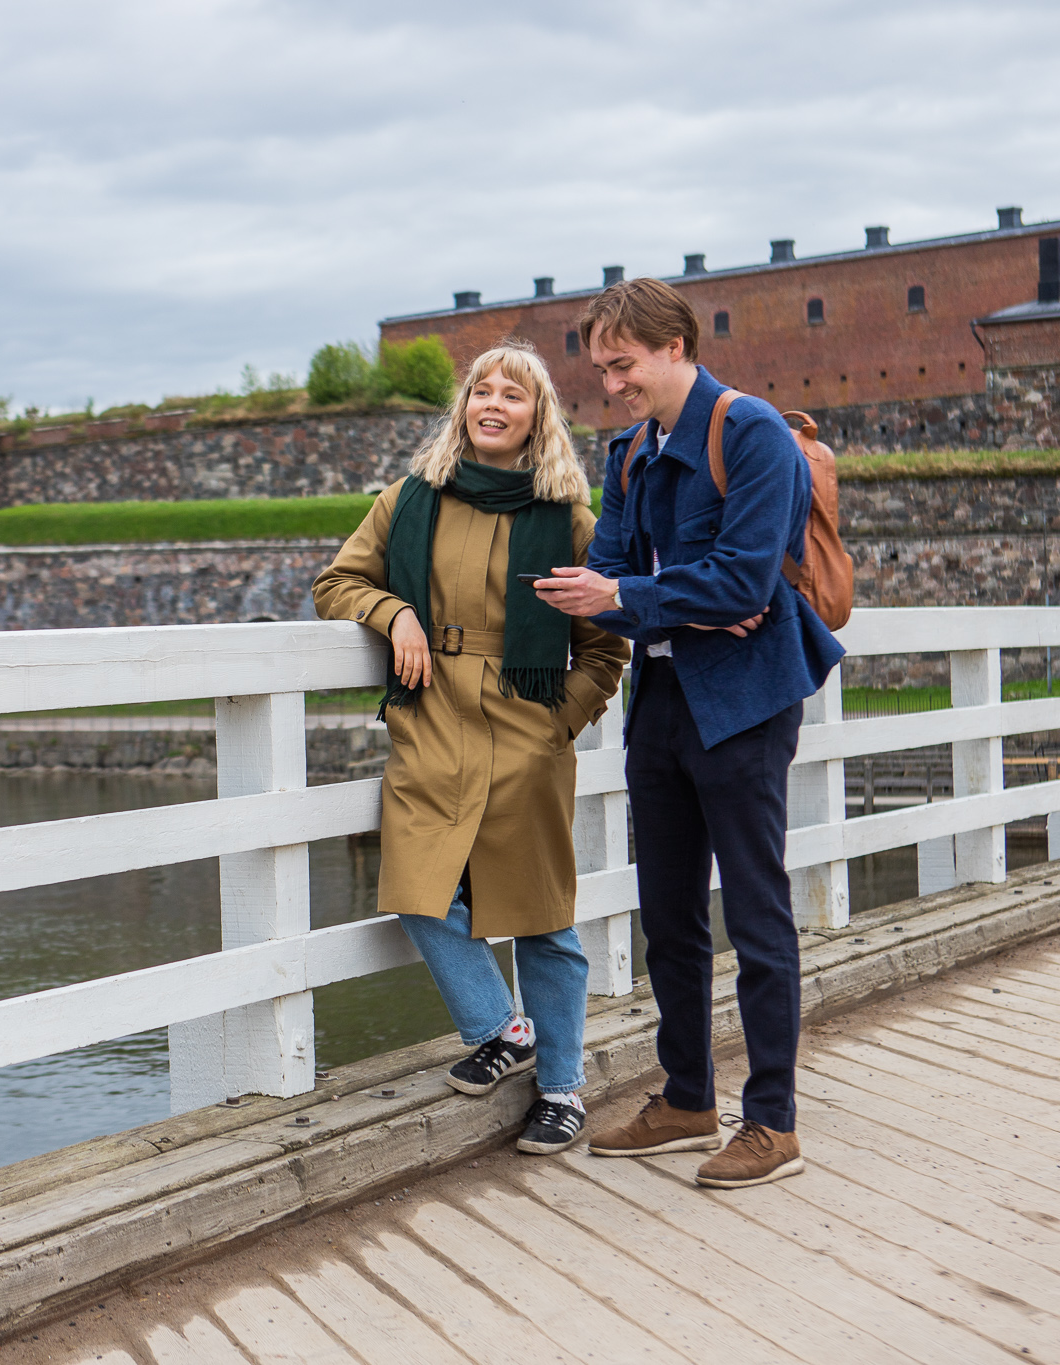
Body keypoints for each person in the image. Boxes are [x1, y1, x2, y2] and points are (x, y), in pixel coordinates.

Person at [532, 278, 844, 1189]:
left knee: (754, 910)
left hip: (745, 698)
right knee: (667, 910)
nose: (611, 384)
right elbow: (612, 568)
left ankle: (773, 1121)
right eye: (601, 368)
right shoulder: (629, 452)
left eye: (623, 365)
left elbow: (743, 584)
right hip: (662, 695)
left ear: (675, 347)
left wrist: (640, 597)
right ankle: (687, 1096)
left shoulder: (749, 432)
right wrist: (665, 598)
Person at [314, 344, 629, 1155]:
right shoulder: (408, 500)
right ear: (463, 409)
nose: (492, 403)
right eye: (480, 390)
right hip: (431, 715)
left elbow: (605, 648)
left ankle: (561, 1088)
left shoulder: (568, 520)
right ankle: (502, 1026)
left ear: (537, 417)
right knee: (419, 889)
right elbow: (337, 583)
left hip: (528, 723)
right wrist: (396, 615)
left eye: (512, 394)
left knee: (540, 915)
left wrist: (558, 724)